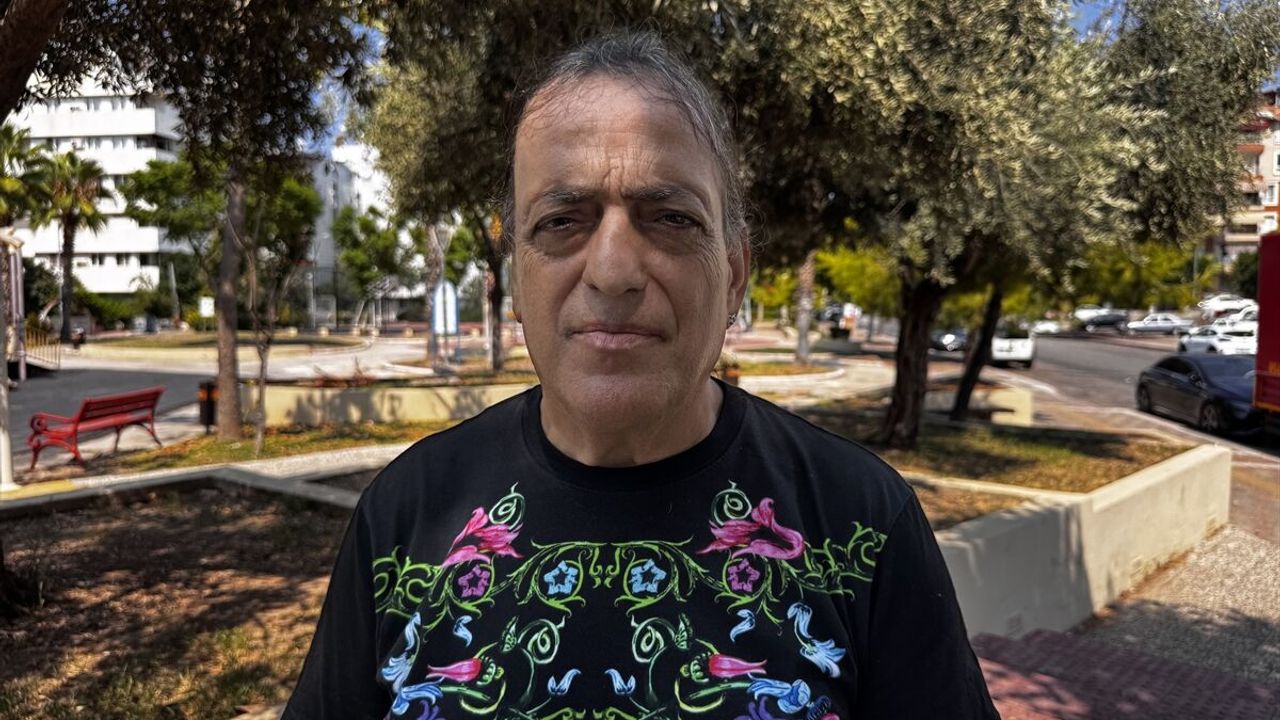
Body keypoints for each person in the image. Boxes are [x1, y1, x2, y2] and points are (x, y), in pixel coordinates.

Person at [284, 31, 999, 720]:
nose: (613, 271)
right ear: (516, 279)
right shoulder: (402, 517)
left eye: (671, 218)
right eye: (562, 220)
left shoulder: (863, 523)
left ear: (734, 275)